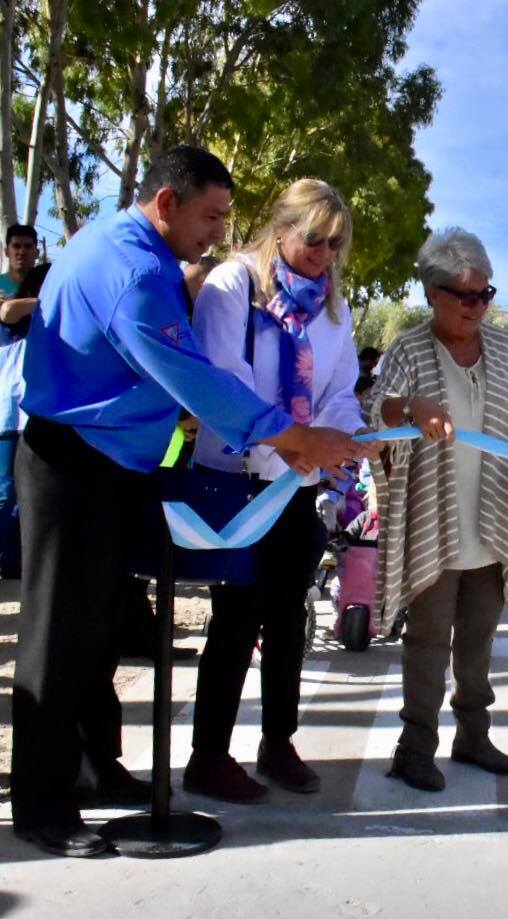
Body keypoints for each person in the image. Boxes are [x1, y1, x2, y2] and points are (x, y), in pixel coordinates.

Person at [12, 145, 369, 858]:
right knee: (58, 636)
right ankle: (41, 805)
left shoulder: (117, 243)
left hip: (114, 465)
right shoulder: (139, 272)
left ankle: (87, 768)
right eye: (209, 216)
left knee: (97, 627)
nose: (216, 232)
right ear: (168, 203)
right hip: (74, 466)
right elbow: (195, 378)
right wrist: (294, 435)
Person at [181, 178, 375, 803]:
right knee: (235, 620)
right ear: (282, 228)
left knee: (289, 617)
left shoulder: (332, 309)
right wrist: (299, 442)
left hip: (298, 484)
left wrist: (345, 438)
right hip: (239, 480)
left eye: (335, 245)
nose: (324, 254)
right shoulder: (233, 285)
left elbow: (341, 392)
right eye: (314, 239)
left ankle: (278, 742)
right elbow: (223, 380)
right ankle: (208, 755)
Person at [370, 228, 508, 791]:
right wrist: (408, 404)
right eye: (465, 295)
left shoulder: (506, 350)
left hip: (495, 522)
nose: (478, 307)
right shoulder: (407, 349)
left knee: (478, 640)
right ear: (433, 293)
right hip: (434, 524)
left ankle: (473, 735)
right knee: (427, 642)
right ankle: (415, 746)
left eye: (485, 294)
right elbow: (376, 411)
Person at [0, 224, 38, 577]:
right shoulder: (3, 288)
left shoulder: (43, 282)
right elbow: (7, 314)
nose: (22, 252)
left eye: (28, 245)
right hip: (5, 404)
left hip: (34, 405)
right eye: (17, 246)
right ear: (8, 248)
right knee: (4, 489)